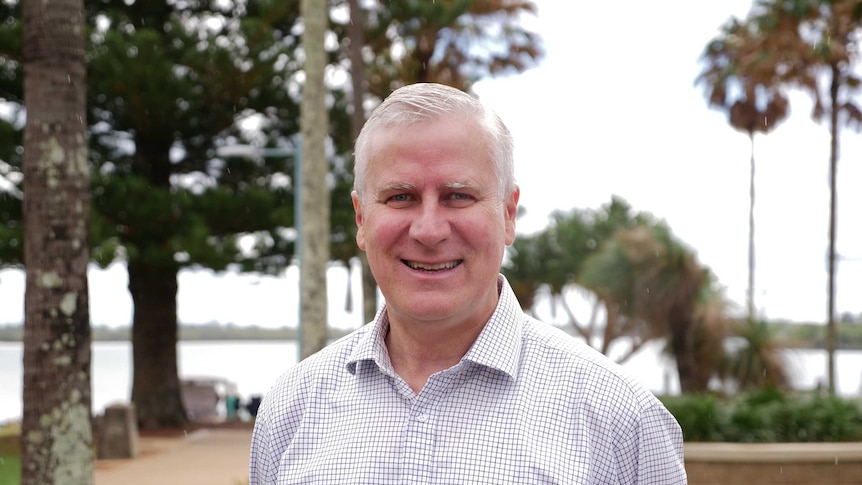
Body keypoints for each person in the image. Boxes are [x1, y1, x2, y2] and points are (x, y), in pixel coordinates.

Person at [249, 82, 688, 484]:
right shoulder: (290, 409)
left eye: (459, 196)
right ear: (362, 218)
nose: (429, 230)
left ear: (508, 214)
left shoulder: (622, 419)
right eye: (400, 197)